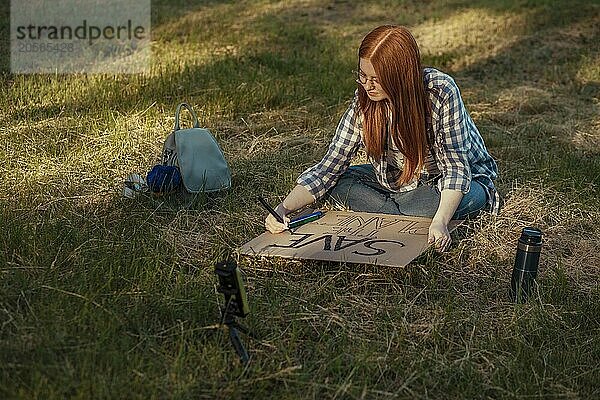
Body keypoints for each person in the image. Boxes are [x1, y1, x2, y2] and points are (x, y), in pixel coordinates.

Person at [264, 25, 499, 252]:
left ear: (400, 75)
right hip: (395, 178)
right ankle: (400, 210)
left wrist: (440, 221)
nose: (367, 85)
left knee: (464, 199)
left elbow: (456, 170)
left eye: (376, 79)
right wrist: (282, 208)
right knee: (338, 183)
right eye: (362, 75)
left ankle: (388, 208)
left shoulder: (440, 91)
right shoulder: (364, 99)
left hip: (452, 182)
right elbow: (330, 165)